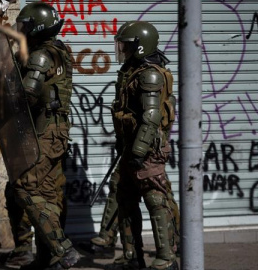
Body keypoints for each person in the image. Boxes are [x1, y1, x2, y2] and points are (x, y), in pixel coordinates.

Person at [104, 20, 179, 270]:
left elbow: (151, 117)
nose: (122, 50)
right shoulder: (132, 71)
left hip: (147, 149)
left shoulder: (150, 74)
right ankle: (130, 257)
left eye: (126, 45)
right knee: (125, 198)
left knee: (155, 198)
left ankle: (166, 259)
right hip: (131, 147)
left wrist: (138, 150)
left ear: (139, 46)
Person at [12, 2, 79, 269]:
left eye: (24, 27)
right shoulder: (60, 50)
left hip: (44, 132)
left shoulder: (41, 55)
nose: (21, 32)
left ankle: (62, 249)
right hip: (57, 132)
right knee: (49, 194)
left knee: (25, 187)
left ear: (36, 28)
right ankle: (45, 258)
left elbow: (26, 95)